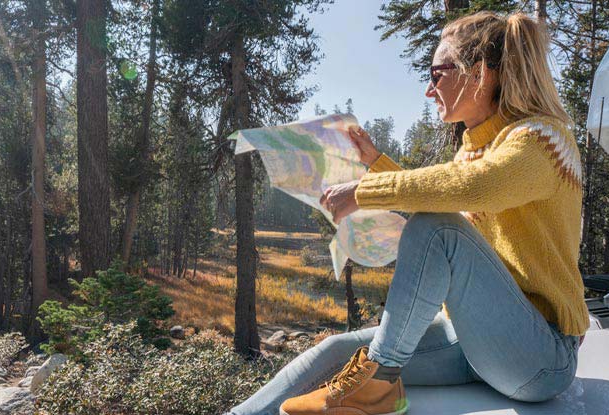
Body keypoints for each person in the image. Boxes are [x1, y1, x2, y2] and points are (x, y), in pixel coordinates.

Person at [228, 11, 588, 415]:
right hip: (479, 343)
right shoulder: (478, 147)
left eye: (436, 74)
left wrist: (364, 191)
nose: (429, 90)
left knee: (438, 230)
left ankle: (380, 383)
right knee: (334, 353)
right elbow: (444, 191)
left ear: (481, 74)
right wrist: (376, 162)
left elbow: (475, 189)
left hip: (541, 357)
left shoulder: (542, 139)